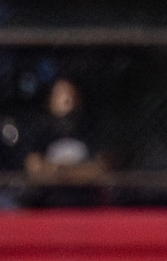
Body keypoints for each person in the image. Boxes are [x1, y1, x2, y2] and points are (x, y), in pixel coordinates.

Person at [25, 78, 109, 208]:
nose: (66, 98)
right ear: (50, 99)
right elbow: (35, 168)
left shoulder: (87, 129)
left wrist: (60, 171)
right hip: (49, 203)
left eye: (69, 93)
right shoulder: (41, 130)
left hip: (85, 203)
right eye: (60, 93)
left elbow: (99, 169)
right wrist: (76, 173)